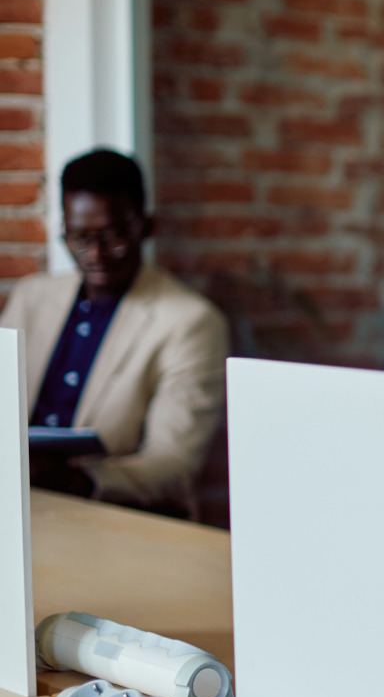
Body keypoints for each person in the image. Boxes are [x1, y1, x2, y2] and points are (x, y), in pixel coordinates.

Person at [0, 149, 228, 518]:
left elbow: (174, 463)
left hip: (113, 516)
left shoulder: (191, 321)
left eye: (113, 236)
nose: (95, 254)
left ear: (146, 227)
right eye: (79, 237)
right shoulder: (32, 297)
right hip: (15, 506)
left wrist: (77, 481)